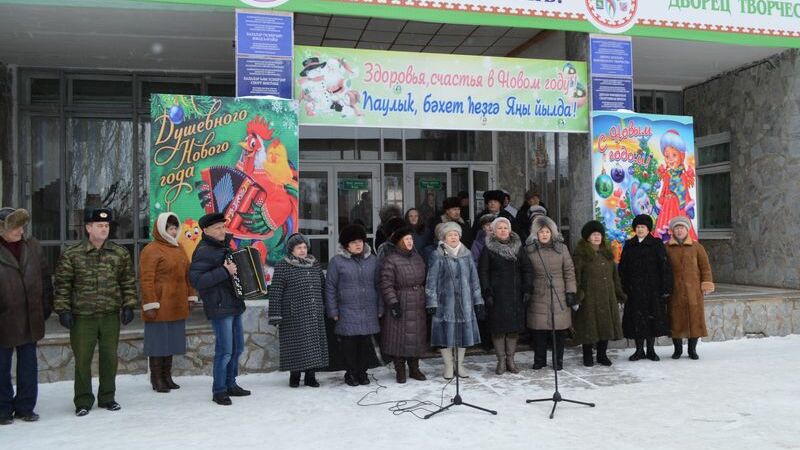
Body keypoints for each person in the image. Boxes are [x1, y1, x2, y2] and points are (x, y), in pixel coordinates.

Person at [54, 208, 137, 416]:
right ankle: (83, 400)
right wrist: (63, 310)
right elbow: (63, 285)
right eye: (100, 225)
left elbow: (127, 281)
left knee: (109, 358)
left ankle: (107, 397)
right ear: (88, 228)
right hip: (83, 317)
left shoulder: (119, 253)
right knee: (83, 359)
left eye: (107, 225)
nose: (104, 229)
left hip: (110, 315)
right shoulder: (73, 253)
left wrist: (129, 305)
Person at [189, 213, 250, 406]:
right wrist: (224, 271)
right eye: (218, 228)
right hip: (219, 306)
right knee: (224, 351)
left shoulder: (224, 246)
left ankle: (231, 384)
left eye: (223, 227)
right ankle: (219, 390)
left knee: (237, 348)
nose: (222, 231)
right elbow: (197, 280)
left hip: (233, 303)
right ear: (206, 230)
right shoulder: (204, 250)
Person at [0, 208, 52, 425]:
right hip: (4, 319)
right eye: (15, 227)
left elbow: (45, 277)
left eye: (22, 226)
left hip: (31, 316)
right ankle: (3, 409)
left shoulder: (33, 246)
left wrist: (46, 305)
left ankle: (25, 407)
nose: (21, 231)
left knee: (28, 367)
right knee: (1, 367)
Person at [139, 212, 196, 393]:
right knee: (158, 343)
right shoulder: (151, 249)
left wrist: (191, 296)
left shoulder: (179, 248)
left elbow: (188, 275)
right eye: (169, 228)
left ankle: (167, 376)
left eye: (174, 228)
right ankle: (157, 378)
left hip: (177, 304)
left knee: (171, 342)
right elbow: (146, 279)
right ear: (161, 229)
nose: (173, 232)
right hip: (159, 305)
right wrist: (150, 304)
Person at [268, 234, 329, 388]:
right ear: (291, 249)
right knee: (295, 346)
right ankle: (294, 376)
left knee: (313, 345)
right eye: (298, 248)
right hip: (293, 314)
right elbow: (276, 291)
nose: (302, 250)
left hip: (314, 312)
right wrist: (275, 315)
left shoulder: (314, 264)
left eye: (304, 247)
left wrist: (326, 306)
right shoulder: (283, 265)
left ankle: (310, 377)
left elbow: (323, 286)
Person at [425, 222, 484, 379]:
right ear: (444, 238)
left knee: (463, 334)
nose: (453, 237)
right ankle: (448, 365)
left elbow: (474, 279)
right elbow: (431, 280)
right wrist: (431, 301)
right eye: (449, 235)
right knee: (445, 335)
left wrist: (478, 299)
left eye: (455, 234)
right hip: (445, 303)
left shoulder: (467, 254)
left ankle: (460, 364)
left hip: (465, 302)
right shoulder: (437, 254)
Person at [325, 224, 382, 386]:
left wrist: (380, 307)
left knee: (365, 343)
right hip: (346, 310)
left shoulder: (372, 260)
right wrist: (333, 310)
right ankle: (351, 373)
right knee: (349, 344)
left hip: (368, 309)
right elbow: (330, 287)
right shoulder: (337, 262)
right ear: (346, 245)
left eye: (360, 241)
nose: (358, 245)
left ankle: (362, 372)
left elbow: (379, 285)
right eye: (354, 242)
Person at [477, 217, 532, 375]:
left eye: (505, 228)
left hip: (515, 294)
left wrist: (527, 289)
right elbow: (483, 272)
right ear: (494, 231)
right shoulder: (488, 249)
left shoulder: (519, 247)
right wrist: (487, 291)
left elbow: (527, 269)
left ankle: (511, 360)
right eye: (499, 228)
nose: (503, 230)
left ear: (510, 230)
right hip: (497, 296)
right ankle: (501, 360)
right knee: (498, 330)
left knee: (513, 330)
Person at [525, 215, 577, 371]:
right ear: (536, 233)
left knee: (559, 330)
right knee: (539, 329)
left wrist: (571, 291)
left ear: (552, 232)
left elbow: (569, 271)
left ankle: (557, 360)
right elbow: (526, 272)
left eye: (547, 231)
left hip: (558, 292)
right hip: (538, 292)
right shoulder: (530, 250)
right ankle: (539, 359)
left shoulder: (562, 248)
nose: (544, 235)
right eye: (541, 232)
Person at [571, 221, 626, 367]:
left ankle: (602, 355)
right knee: (589, 326)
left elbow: (615, 276)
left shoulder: (607, 254)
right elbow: (576, 276)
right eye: (593, 234)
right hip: (589, 296)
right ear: (587, 237)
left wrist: (618, 294)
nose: (597, 237)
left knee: (605, 326)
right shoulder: (581, 254)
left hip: (607, 296)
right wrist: (577, 295)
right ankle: (587, 355)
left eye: (599, 234)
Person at [619, 214, 673, 361]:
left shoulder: (656, 244)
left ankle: (650, 350)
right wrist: (624, 287)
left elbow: (664, 267)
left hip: (653, 290)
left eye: (643, 227)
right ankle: (638, 350)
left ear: (648, 229)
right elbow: (623, 268)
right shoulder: (629, 245)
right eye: (638, 227)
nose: (640, 229)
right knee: (636, 320)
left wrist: (665, 287)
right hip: (634, 290)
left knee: (651, 320)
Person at [379, 225, 428, 383]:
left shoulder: (417, 257)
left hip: (417, 301)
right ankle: (400, 369)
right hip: (401, 302)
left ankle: (414, 368)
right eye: (406, 239)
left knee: (416, 337)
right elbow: (386, 284)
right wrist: (393, 303)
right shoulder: (391, 259)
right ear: (399, 242)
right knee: (398, 338)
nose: (409, 242)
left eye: (411, 239)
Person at [665, 216, 714, 360]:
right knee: (675, 320)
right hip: (675, 291)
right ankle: (677, 350)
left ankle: (692, 350)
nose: (679, 231)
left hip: (694, 291)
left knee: (695, 320)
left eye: (682, 228)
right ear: (673, 231)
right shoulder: (666, 248)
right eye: (677, 228)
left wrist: (706, 284)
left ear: (687, 230)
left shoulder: (697, 247)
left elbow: (705, 268)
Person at [654, 130, 698, 241]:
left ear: (681, 156)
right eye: (667, 156)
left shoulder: (683, 176)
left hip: (679, 207)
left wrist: (689, 206)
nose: (670, 159)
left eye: (674, 155)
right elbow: (663, 191)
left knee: (680, 229)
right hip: (666, 207)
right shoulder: (666, 175)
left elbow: (685, 193)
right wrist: (659, 203)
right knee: (663, 230)